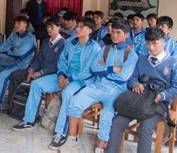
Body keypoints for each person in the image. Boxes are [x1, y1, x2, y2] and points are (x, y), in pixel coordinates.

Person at [53, 18, 138, 152]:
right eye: (113, 32)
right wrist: (113, 68)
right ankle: (72, 139)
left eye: (118, 33)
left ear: (126, 35)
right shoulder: (105, 49)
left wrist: (104, 69)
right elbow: (94, 68)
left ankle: (100, 148)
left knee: (107, 116)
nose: (114, 35)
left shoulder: (131, 54)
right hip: (98, 86)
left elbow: (123, 77)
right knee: (74, 103)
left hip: (116, 91)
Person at [12, 17, 100, 137]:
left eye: (81, 27)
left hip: (80, 81)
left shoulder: (95, 47)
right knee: (36, 84)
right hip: (64, 77)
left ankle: (60, 132)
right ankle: (29, 120)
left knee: (67, 93)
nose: (77, 29)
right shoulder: (70, 42)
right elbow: (62, 61)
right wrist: (61, 75)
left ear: (90, 30)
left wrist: (69, 79)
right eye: (77, 26)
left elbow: (88, 71)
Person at [106, 27, 177, 153]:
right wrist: (135, 83)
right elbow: (133, 77)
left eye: (154, 43)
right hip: (139, 99)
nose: (151, 47)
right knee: (117, 122)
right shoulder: (142, 59)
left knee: (145, 128)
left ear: (163, 41)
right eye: (148, 43)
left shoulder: (174, 63)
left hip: (158, 102)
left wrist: (162, 96)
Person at [6, 17, 65, 112]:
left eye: (52, 27)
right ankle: (12, 106)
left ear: (59, 28)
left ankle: (30, 111)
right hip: (37, 70)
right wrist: (32, 69)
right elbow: (38, 58)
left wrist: (40, 73)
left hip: (50, 73)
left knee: (35, 83)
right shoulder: (46, 42)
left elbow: (56, 65)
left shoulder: (63, 44)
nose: (49, 29)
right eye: (48, 27)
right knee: (15, 75)